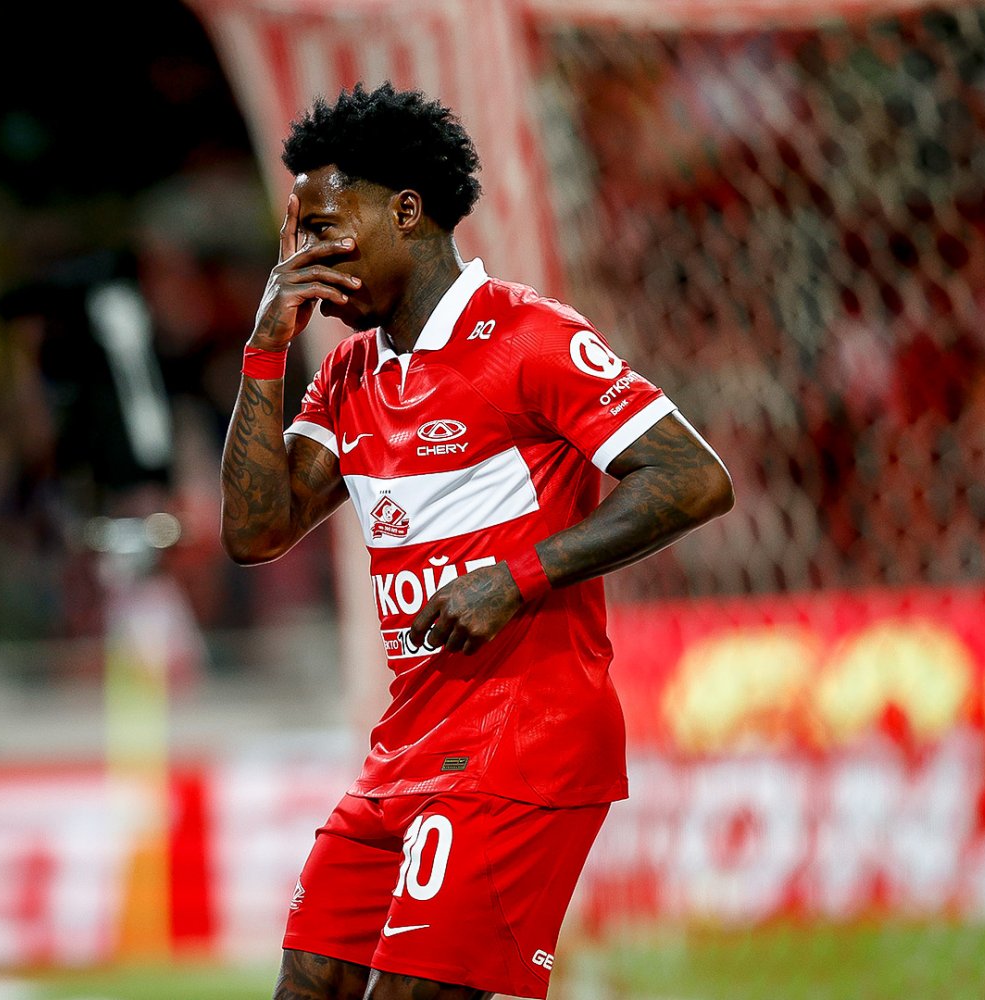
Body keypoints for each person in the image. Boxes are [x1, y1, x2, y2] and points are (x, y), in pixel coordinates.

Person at [219, 83, 734, 1000]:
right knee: (308, 986)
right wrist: (265, 347)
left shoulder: (531, 338)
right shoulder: (348, 374)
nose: (304, 259)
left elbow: (694, 478)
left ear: (404, 212)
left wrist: (518, 576)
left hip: (524, 739)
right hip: (407, 744)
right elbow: (257, 531)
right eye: (296, 237)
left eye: (324, 230)